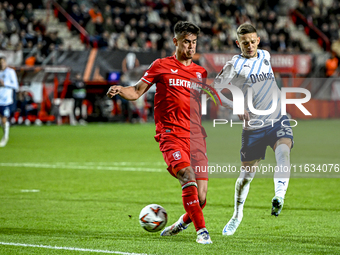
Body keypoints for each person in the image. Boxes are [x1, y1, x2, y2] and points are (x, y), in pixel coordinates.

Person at [107, 21, 212, 244]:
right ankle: (202, 232)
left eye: (194, 42)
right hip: (171, 134)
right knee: (187, 176)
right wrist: (120, 90)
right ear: (175, 41)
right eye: (186, 42)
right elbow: (136, 91)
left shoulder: (200, 72)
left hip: (196, 137)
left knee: (201, 198)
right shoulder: (160, 65)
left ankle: (182, 222)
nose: (191, 47)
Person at [213, 23, 294, 235]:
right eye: (244, 42)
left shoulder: (265, 56)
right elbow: (215, 90)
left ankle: (279, 196)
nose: (249, 46)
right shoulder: (235, 65)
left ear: (258, 40)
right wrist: (236, 106)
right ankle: (237, 216)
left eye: (252, 41)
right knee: (246, 176)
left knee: (283, 152)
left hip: (277, 120)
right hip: (254, 127)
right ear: (237, 43)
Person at [0, 56, 19, 147]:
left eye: (3, 62)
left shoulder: (10, 72)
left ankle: (5, 137)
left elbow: (15, 85)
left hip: (6, 100)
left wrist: (5, 84)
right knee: (2, 121)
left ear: (6, 63)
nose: (2, 64)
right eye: (0, 62)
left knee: (4, 119)